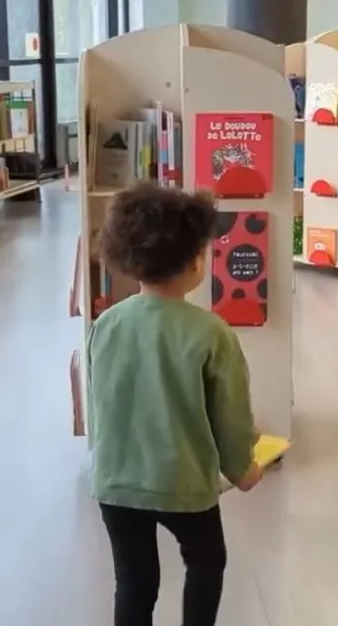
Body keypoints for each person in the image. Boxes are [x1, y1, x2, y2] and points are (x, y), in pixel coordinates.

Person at [88, 184, 262, 626]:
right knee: (205, 562)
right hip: (182, 483)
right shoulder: (211, 332)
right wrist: (242, 468)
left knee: (134, 582)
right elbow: (231, 415)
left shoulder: (107, 323)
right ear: (196, 261)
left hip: (116, 482)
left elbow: (104, 400)